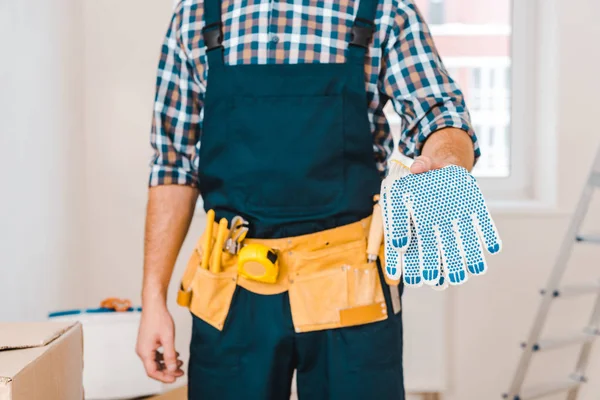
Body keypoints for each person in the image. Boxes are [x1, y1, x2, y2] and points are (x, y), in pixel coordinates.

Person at [136, 0, 477, 398]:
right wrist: (153, 299)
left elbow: (441, 114)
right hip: (231, 289)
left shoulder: (385, 10)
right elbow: (173, 167)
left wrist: (445, 166)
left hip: (352, 286)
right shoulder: (196, 15)